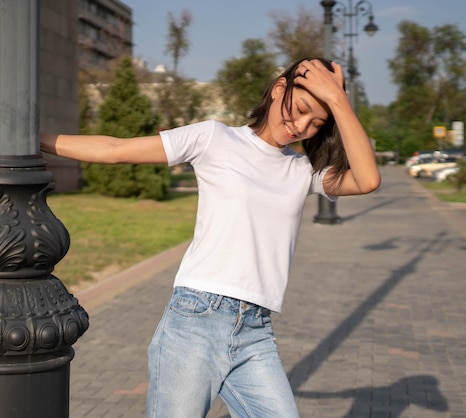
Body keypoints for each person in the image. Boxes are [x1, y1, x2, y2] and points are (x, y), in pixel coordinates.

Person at [39, 58, 381, 417]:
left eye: (316, 123)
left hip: (255, 330)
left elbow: (368, 179)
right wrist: (33, 139)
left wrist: (339, 100)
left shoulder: (301, 171)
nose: (302, 127)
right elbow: (115, 151)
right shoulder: (214, 138)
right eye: (300, 110)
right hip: (196, 320)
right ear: (280, 88)